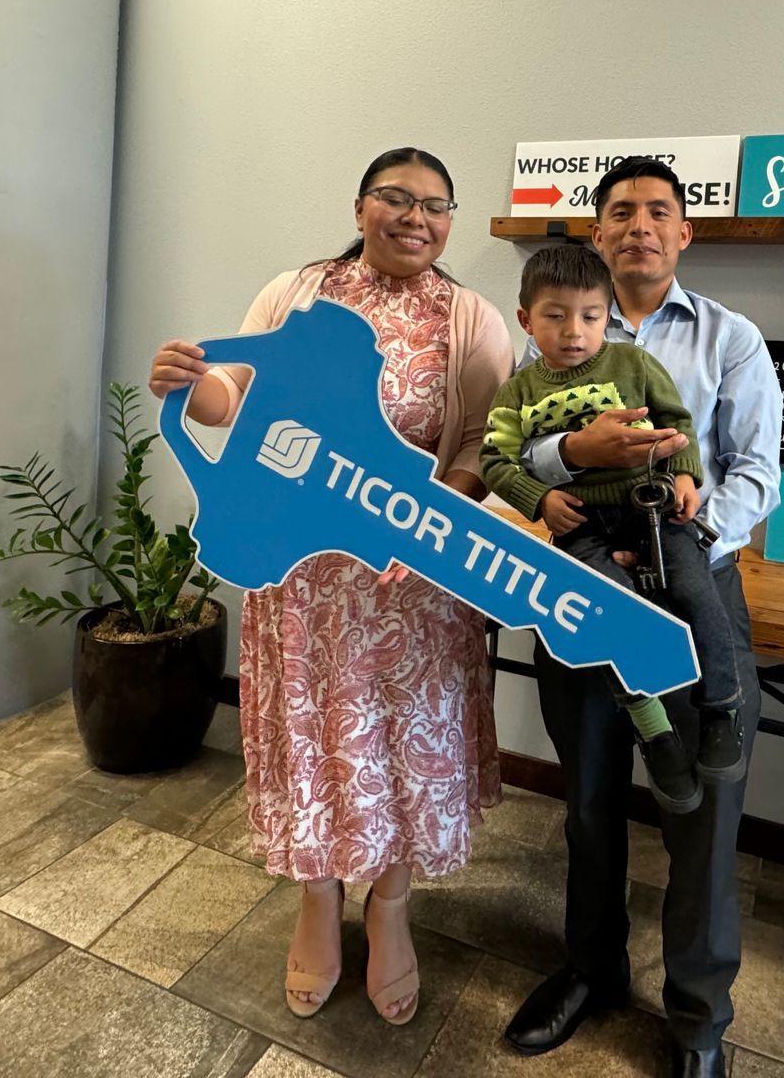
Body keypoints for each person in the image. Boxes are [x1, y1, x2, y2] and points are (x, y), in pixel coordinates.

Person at [149, 148, 513, 1027]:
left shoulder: (469, 317)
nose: (415, 217)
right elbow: (234, 396)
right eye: (396, 197)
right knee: (314, 740)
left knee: (404, 750)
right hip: (303, 578)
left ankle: (391, 909)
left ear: (450, 222)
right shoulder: (295, 294)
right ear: (359, 208)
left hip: (415, 585)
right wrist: (192, 387)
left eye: (436, 205)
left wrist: (423, 519)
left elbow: (482, 442)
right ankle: (317, 904)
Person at [502, 158, 782, 1078]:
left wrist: (683, 534)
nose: (639, 226)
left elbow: (757, 472)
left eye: (659, 211)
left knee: (703, 809)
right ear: (597, 233)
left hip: (692, 590)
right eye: (621, 211)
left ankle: (699, 1020)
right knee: (588, 798)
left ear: (684, 233)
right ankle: (592, 970)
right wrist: (571, 455)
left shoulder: (730, 338)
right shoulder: (554, 330)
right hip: (580, 587)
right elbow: (515, 453)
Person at [480, 243, 745, 816]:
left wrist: (684, 474)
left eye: (590, 316)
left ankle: (722, 709)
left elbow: (677, 423)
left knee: (697, 591)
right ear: (526, 319)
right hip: (582, 528)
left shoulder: (634, 364)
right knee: (609, 616)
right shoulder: (517, 392)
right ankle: (656, 733)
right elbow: (495, 461)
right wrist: (539, 499)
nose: (573, 331)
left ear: (608, 316)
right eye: (555, 316)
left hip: (654, 512)